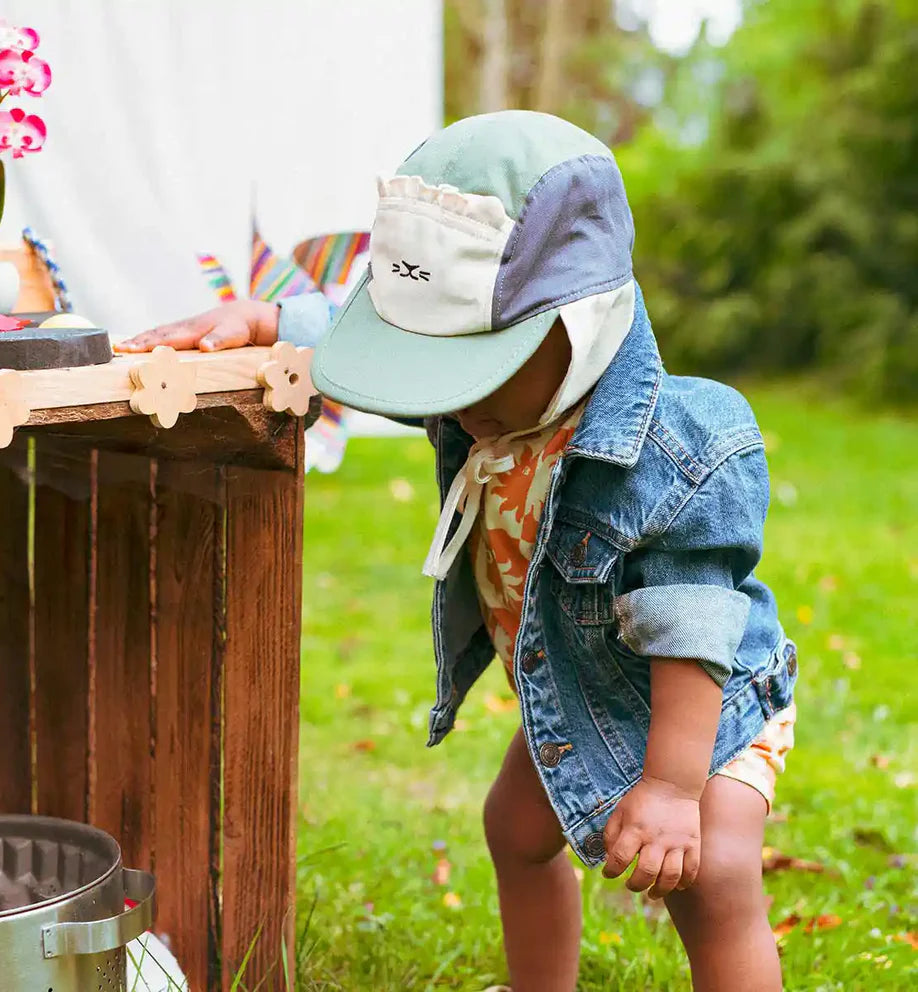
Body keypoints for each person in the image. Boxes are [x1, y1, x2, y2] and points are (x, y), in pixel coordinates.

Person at [118, 111, 797, 992]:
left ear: (578, 328)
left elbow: (694, 627)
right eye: (425, 367)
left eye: (463, 370)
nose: (442, 401)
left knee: (715, 880)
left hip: (702, 711)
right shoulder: (492, 393)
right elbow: (376, 343)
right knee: (515, 832)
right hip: (585, 690)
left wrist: (671, 790)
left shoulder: (674, 452)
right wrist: (270, 318)